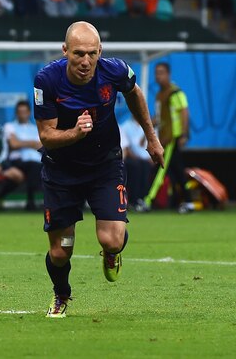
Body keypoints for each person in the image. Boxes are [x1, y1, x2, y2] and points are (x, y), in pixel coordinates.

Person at [33, 21, 164, 318]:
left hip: (105, 165)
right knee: (60, 250)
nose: (85, 61)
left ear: (100, 51)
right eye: (78, 53)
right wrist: (75, 134)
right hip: (61, 172)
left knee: (113, 240)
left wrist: (152, 138)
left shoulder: (114, 70)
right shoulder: (47, 81)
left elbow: (134, 93)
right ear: (65, 51)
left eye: (92, 53)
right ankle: (61, 295)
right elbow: (46, 136)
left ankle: (111, 255)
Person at [137, 62, 193, 214]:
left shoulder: (175, 93)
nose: (158, 76)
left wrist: (183, 134)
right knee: (177, 172)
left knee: (159, 170)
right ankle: (188, 202)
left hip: (172, 138)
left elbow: (184, 112)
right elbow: (160, 118)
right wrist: (146, 133)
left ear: (168, 74)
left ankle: (147, 201)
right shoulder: (160, 95)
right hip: (164, 137)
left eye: (161, 73)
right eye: (156, 73)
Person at [4, 100, 43, 211]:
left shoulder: (36, 128)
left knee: (37, 166)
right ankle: (31, 201)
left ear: (29, 113)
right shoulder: (9, 126)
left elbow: (42, 145)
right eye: (20, 112)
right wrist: (32, 143)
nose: (22, 114)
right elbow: (14, 144)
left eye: (25, 112)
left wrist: (22, 142)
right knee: (33, 166)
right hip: (18, 161)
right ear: (16, 113)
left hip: (37, 162)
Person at [119, 116, 154, 208]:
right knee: (137, 166)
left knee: (145, 167)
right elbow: (128, 148)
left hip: (146, 160)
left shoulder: (149, 126)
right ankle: (135, 200)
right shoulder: (125, 126)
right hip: (132, 159)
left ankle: (142, 199)